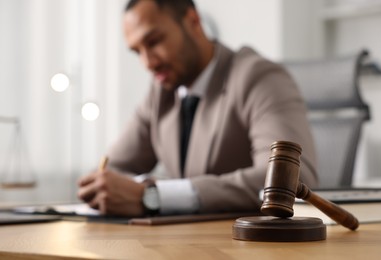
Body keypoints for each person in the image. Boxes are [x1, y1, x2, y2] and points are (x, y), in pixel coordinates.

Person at [77, 0, 318, 217]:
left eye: (154, 41)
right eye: (137, 51)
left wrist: (154, 195)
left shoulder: (259, 77)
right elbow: (113, 170)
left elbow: (292, 180)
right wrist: (109, 188)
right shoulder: (161, 92)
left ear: (192, 21)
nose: (148, 62)